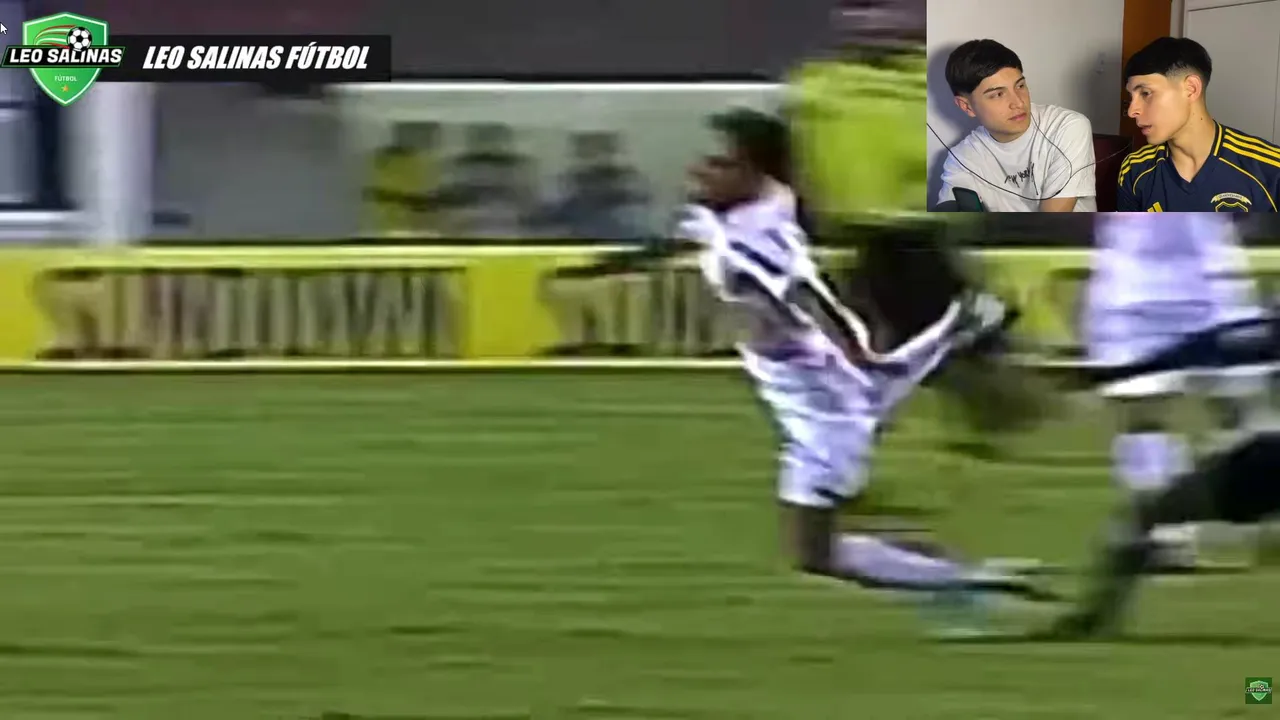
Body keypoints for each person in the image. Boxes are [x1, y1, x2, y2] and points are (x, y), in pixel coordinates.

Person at [679, 107, 1056, 604]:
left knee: (816, 552)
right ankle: (962, 574)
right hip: (820, 389)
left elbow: (805, 295)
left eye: (720, 163)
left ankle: (976, 582)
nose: (701, 170)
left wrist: (856, 347)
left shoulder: (754, 243)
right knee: (835, 531)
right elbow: (713, 223)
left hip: (822, 409)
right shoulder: (762, 206)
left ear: (754, 174)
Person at [1046, 313, 1280, 639]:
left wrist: (1114, 373)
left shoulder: (1257, 332)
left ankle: (1092, 620)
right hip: (1263, 460)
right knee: (1147, 515)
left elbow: (1203, 349)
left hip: (1264, 460)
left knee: (1144, 516)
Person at [1084, 214, 1267, 571]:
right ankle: (1163, 537)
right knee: (1144, 414)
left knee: (1242, 411)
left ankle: (1258, 521)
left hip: (1201, 278)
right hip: (1140, 278)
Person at [1118, 37, 1280, 212]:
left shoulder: (1270, 170)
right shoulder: (1134, 170)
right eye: (1131, 97)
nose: (1132, 111)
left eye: (1145, 93)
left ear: (1191, 89)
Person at [936, 39, 1097, 212]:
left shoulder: (1067, 126)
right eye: (998, 94)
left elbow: (1052, 223)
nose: (1019, 103)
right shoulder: (963, 159)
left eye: (1020, 85)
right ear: (966, 106)